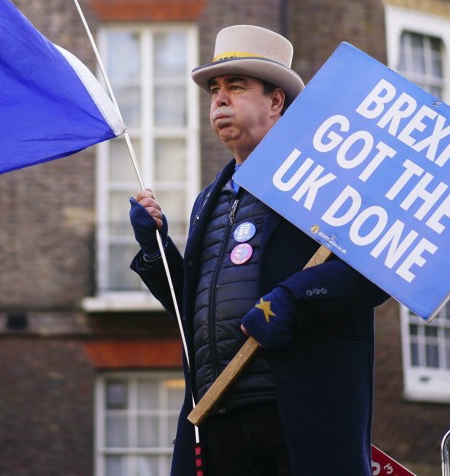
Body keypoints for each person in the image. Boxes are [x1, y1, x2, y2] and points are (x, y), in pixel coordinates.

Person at [129, 25, 389, 475]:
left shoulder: (325, 180)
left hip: (295, 415)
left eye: (236, 86)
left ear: (275, 102)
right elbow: (195, 310)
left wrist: (294, 298)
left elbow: (374, 266)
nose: (220, 99)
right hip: (216, 415)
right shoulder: (208, 199)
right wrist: (154, 249)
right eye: (214, 89)